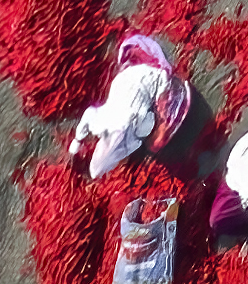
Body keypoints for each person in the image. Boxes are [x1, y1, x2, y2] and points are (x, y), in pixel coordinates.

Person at [70, 32, 191, 179]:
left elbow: (151, 120)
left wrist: (160, 123)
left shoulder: (139, 127)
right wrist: (76, 145)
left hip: (153, 80)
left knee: (156, 142)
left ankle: (174, 94)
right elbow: (88, 114)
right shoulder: (100, 124)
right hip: (125, 79)